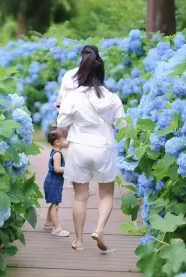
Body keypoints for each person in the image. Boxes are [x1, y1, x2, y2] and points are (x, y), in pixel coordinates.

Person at [56, 45, 126, 253]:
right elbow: (122, 125)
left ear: (82, 71)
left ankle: (79, 241)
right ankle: (99, 229)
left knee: (80, 196)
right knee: (106, 194)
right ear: (101, 71)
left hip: (79, 148)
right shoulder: (112, 97)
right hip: (104, 148)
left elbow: (62, 124)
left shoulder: (73, 96)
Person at [42, 127, 69, 237]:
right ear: (57, 142)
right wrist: (69, 168)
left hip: (52, 181)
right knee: (55, 205)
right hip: (54, 183)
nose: (68, 141)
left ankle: (48, 223)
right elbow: (57, 169)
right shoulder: (57, 154)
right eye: (65, 139)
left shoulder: (55, 152)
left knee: (54, 203)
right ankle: (56, 228)